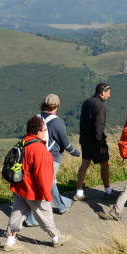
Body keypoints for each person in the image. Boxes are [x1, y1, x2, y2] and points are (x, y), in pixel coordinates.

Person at [1, 115, 72, 252]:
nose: (46, 132)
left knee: (17, 213)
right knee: (45, 213)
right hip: (33, 189)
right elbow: (42, 175)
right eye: (45, 129)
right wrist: (47, 194)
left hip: (19, 185)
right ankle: (56, 238)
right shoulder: (39, 149)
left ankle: (10, 241)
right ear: (39, 131)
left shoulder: (23, 141)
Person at [23, 94, 79, 227]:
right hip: (51, 158)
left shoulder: (37, 118)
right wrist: (77, 153)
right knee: (46, 185)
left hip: (36, 156)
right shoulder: (58, 122)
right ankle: (33, 219)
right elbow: (66, 144)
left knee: (48, 183)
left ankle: (62, 205)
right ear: (57, 105)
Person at [75, 82, 114, 201]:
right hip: (96, 142)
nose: (109, 96)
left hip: (84, 140)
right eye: (108, 93)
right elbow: (99, 126)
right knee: (105, 165)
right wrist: (102, 144)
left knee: (84, 164)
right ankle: (108, 191)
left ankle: (79, 192)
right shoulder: (100, 105)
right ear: (103, 93)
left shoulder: (87, 101)